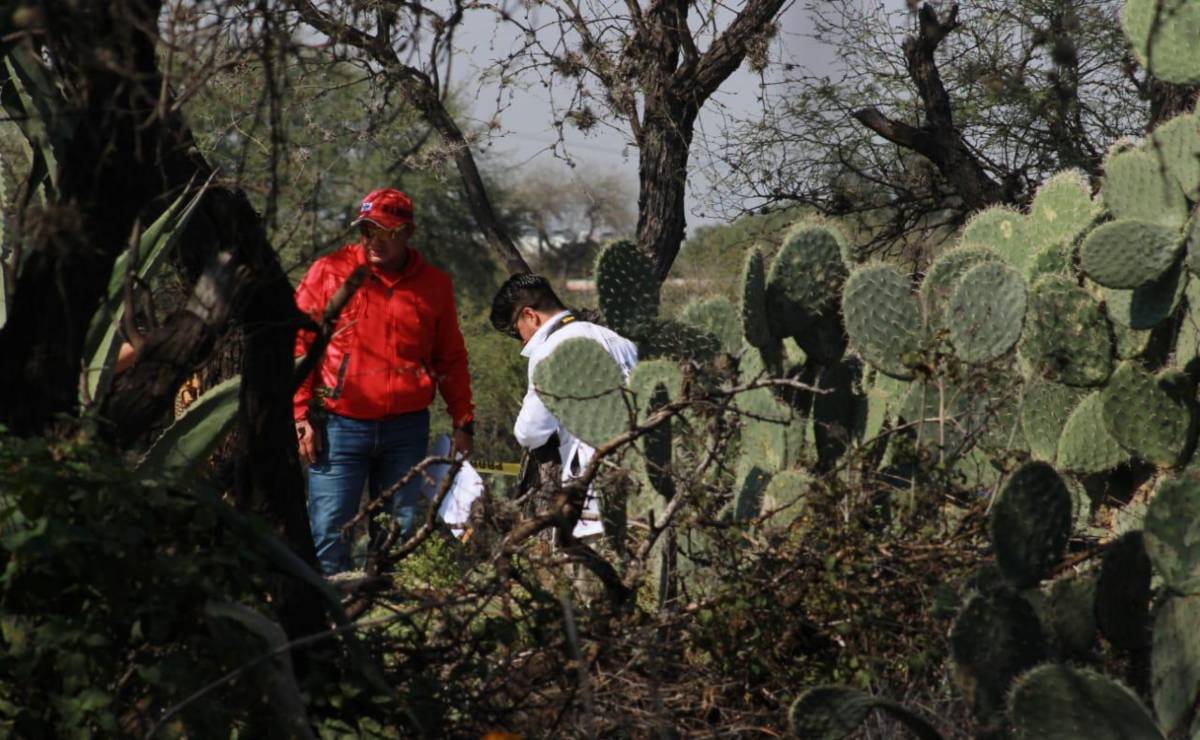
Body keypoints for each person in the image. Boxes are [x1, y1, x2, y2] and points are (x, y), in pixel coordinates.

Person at [294, 187, 475, 575]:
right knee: (329, 531)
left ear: (407, 232)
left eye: (385, 231)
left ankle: (387, 620)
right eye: (367, 230)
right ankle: (331, 625)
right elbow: (299, 343)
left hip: (406, 430)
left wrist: (463, 420)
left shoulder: (434, 284)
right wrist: (300, 415)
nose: (374, 240)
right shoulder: (328, 272)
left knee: (399, 533)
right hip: (339, 426)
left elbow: (451, 357)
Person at [490, 273, 637, 537]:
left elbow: (530, 431)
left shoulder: (549, 350)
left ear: (530, 316)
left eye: (516, 331)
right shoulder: (619, 341)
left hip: (594, 498)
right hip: (642, 489)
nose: (521, 341)